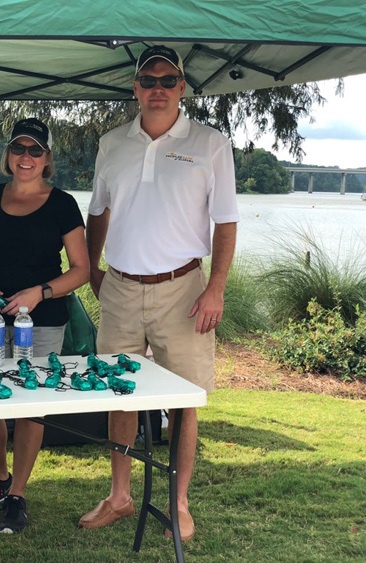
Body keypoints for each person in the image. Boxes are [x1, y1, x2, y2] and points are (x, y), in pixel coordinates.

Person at [81, 45, 239, 541]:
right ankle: (120, 496)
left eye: (167, 80)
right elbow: (98, 213)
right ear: (134, 87)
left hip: (185, 290)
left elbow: (226, 221)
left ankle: (180, 501)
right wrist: (93, 274)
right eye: (148, 80)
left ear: (182, 88)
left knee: (185, 400)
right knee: (119, 395)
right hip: (121, 288)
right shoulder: (111, 143)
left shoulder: (211, 143)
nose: (157, 88)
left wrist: (216, 288)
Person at [0, 118, 89, 533]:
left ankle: (18, 491)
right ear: (8, 155)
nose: (26, 158)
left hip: (44, 318)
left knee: (32, 403)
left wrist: (41, 292)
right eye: (19, 149)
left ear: (47, 157)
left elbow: (82, 270)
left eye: (36, 150)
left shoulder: (63, 203)